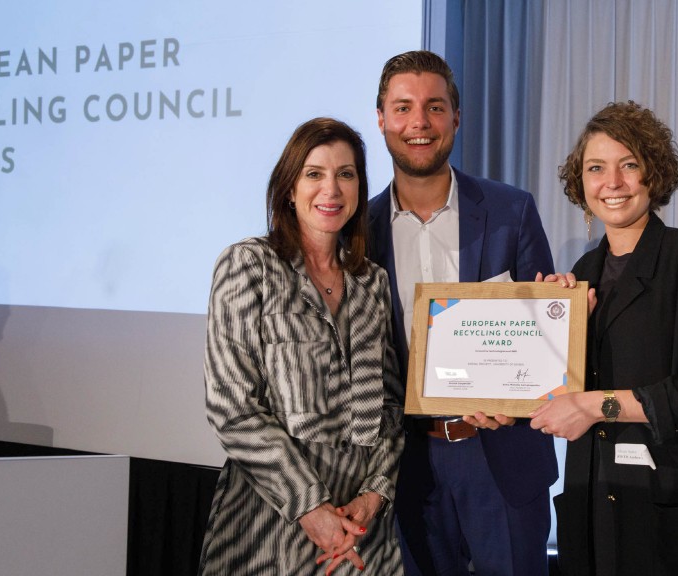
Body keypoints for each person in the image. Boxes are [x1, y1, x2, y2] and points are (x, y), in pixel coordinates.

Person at [530, 101, 678, 575]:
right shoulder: (583, 276)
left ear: (653, 173)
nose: (613, 183)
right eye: (596, 168)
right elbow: (558, 389)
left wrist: (593, 406)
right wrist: (548, 326)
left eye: (629, 165)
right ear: (580, 184)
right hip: (597, 500)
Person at [367, 50, 557, 576]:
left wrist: (517, 399)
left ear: (456, 117)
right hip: (406, 465)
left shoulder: (510, 210)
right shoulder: (359, 231)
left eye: (435, 107)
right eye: (403, 108)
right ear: (380, 118)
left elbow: (545, 339)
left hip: (502, 453)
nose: (419, 124)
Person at [199, 118, 404, 576]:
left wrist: (374, 496)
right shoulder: (248, 265)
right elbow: (230, 406)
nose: (330, 189)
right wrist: (311, 509)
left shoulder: (372, 282)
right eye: (314, 174)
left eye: (345, 174)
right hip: (267, 523)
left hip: (361, 532)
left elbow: (389, 406)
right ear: (289, 188)